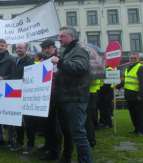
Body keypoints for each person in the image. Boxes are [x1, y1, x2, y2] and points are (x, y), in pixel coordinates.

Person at [51, 26, 93, 162]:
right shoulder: (68, 52)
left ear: (72, 37)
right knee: (74, 132)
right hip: (68, 98)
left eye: (63, 36)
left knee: (78, 133)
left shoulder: (79, 50)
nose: (59, 39)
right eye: (59, 36)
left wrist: (60, 62)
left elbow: (81, 68)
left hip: (75, 98)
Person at [37, 39, 62, 161]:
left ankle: (55, 151)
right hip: (45, 97)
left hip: (56, 97)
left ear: (54, 48)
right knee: (46, 124)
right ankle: (48, 145)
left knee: (55, 126)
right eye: (44, 48)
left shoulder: (59, 60)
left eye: (48, 48)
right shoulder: (43, 61)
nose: (46, 50)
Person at [10, 43, 35, 154]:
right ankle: (19, 142)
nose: (18, 49)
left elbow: (34, 76)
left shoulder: (29, 62)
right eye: (17, 48)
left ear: (26, 49)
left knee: (29, 121)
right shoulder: (14, 61)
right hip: (15, 93)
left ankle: (31, 145)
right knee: (17, 120)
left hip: (26, 94)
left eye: (21, 48)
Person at [115, 53, 143, 137]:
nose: (133, 59)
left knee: (139, 114)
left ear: (138, 59)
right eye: (131, 57)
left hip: (136, 95)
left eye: (135, 58)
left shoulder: (141, 68)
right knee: (132, 113)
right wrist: (118, 85)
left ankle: (140, 131)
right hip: (128, 94)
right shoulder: (128, 67)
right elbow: (126, 80)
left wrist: (141, 94)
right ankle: (136, 128)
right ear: (129, 58)